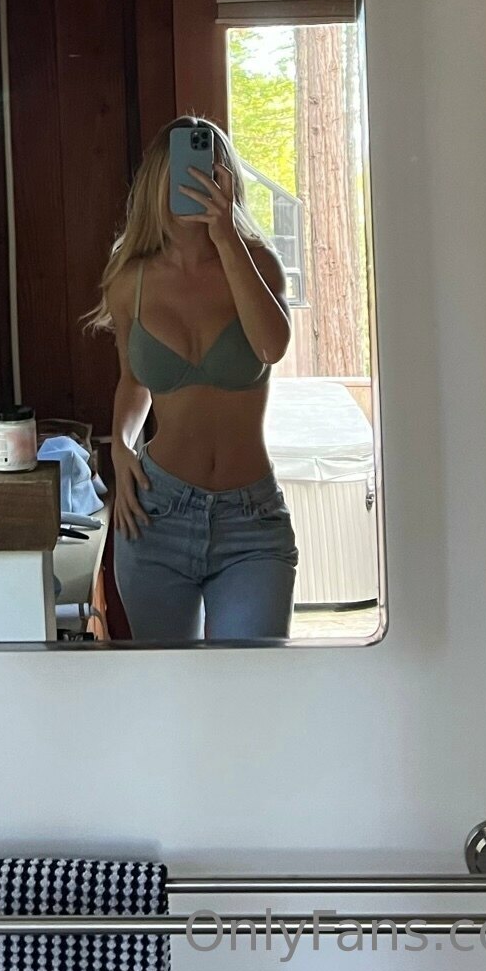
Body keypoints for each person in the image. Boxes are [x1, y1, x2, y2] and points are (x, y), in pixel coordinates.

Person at [86, 116, 297, 641]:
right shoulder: (130, 279)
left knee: (251, 680)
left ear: (227, 181)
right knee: (169, 684)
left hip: (251, 521)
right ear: (159, 180)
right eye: (183, 170)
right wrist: (121, 446)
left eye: (208, 170)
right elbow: (133, 380)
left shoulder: (258, 263)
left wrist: (225, 238)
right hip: (157, 513)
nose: (194, 181)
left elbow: (271, 347)